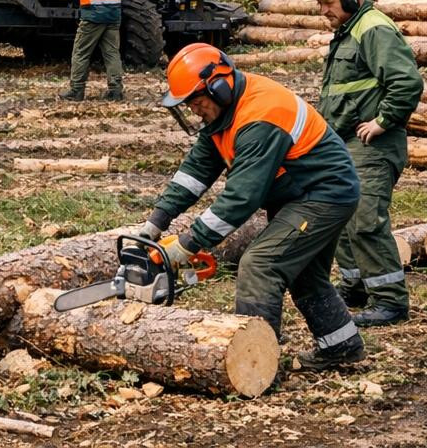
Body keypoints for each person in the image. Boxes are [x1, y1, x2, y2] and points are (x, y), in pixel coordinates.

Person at [137, 43, 366, 370]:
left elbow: (242, 197)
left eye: (197, 102)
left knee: (260, 265)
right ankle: (341, 346)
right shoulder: (224, 115)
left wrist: (189, 244)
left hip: (322, 195)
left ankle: (257, 364)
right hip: (298, 195)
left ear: (218, 87)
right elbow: (195, 171)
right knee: (304, 274)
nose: (195, 111)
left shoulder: (261, 115)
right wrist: (155, 223)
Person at [305, 0, 423, 327]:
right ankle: (354, 285)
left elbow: (407, 83)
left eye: (327, 1)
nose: (323, 9)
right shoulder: (348, 30)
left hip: (371, 147)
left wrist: (383, 121)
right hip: (342, 142)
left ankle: (390, 300)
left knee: (366, 221)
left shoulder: (372, 28)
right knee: (341, 215)